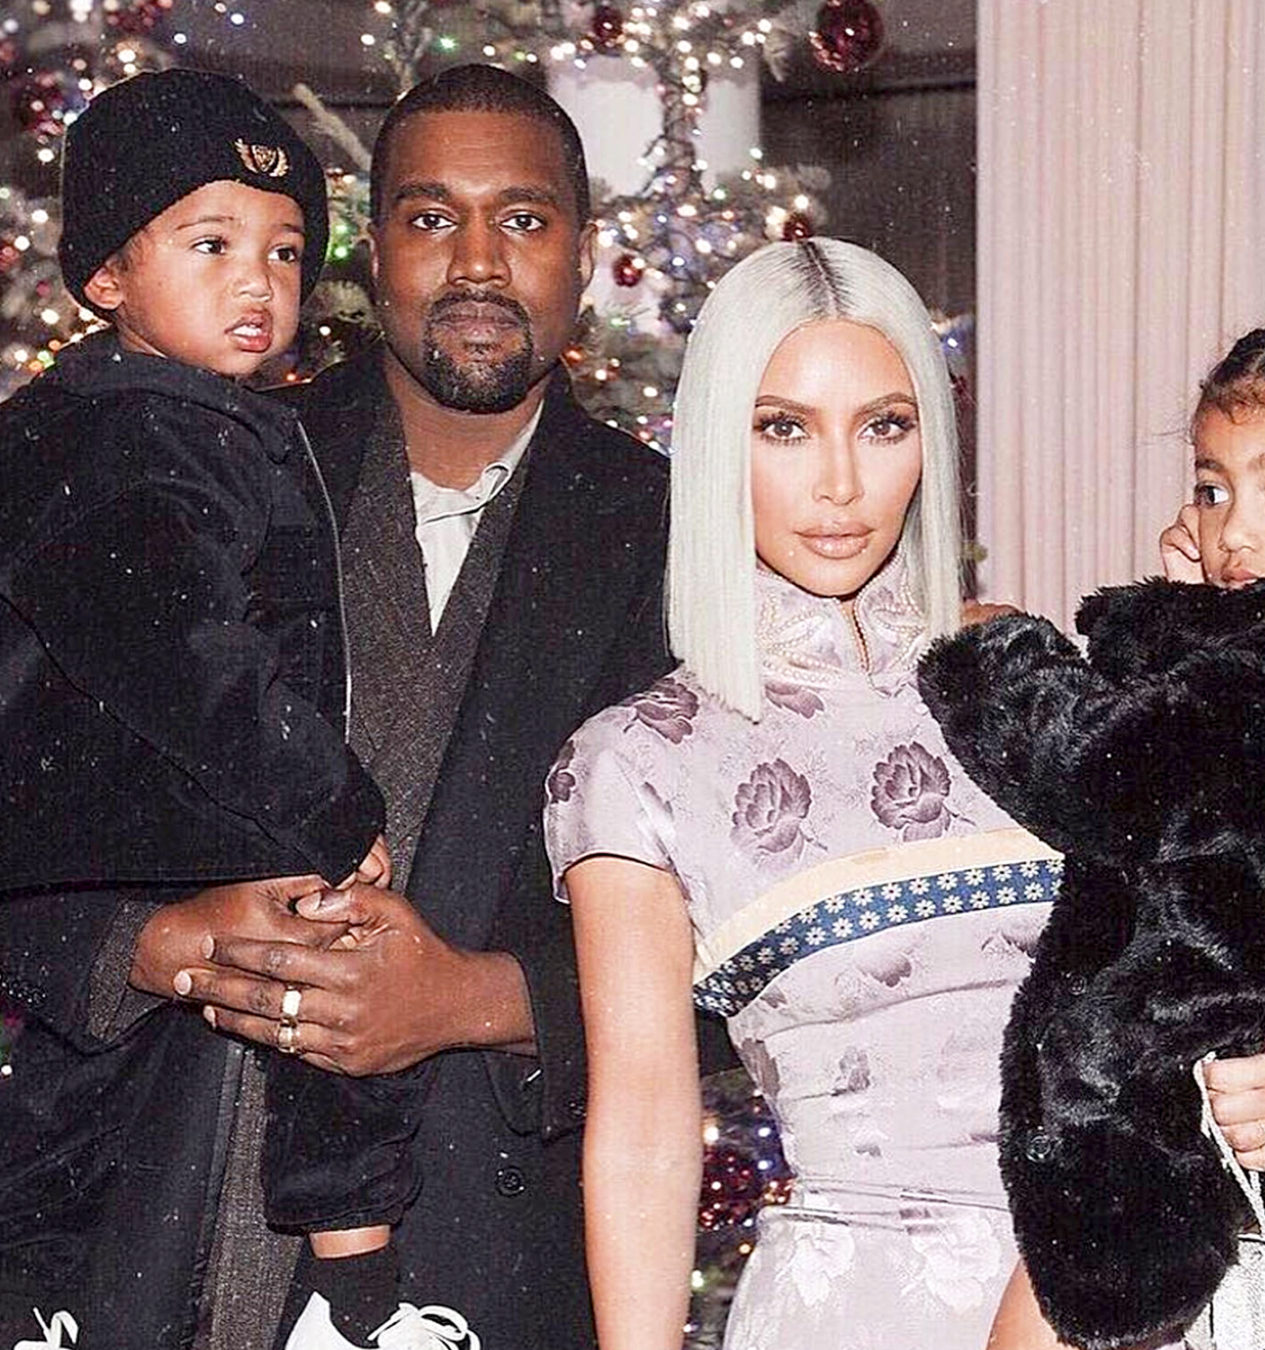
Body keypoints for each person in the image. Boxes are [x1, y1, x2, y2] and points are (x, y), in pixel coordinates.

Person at [153, 64, 686, 1349]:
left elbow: (774, 943)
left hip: (490, 1266)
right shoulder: (201, 476)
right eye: (433, 217)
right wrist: (163, 941)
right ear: (372, 251)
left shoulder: (685, 540)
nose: (479, 264)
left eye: (524, 219)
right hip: (160, 1218)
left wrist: (482, 999)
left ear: (584, 254)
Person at [543, 236, 1062, 1350]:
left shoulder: (1025, 677)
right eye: (784, 428)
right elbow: (643, 1133)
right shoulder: (637, 762)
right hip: (860, 1315)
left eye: (884, 425)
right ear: (713, 445)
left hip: (1129, 1293)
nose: (840, 485)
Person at [0, 68, 399, 1348]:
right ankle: (358, 1295)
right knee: (323, 955)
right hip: (144, 807)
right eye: (211, 244)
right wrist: (328, 799)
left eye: (285, 251)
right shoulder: (133, 433)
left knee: (97, 1093)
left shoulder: (182, 415)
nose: (259, 283)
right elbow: (173, 647)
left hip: (149, 809)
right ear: (106, 276)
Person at [917, 316, 1265, 1350]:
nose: (1233, 529)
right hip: (1207, 1142)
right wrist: (1177, 622)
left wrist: (994, 655)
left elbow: (1108, 781)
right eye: (1212, 488)